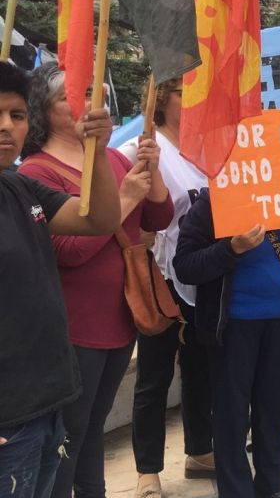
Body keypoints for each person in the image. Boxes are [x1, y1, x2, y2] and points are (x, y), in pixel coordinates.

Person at [18, 63, 174, 498]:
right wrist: (123, 200)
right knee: (68, 435)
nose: (90, 103)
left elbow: (158, 219)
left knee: (93, 426)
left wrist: (151, 171)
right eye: (73, 95)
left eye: (92, 91)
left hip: (121, 317)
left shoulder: (113, 158)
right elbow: (70, 252)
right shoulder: (36, 173)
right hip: (75, 326)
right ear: (45, 111)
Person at [0, 61, 121, 498]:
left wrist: (99, 150)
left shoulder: (20, 188)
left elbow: (100, 218)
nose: (7, 127)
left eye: (16, 115)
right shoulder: (34, 172)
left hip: (47, 405)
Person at [174, 192, 280, 498]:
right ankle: (236, 490)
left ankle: (271, 485)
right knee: (232, 414)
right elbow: (185, 265)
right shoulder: (212, 203)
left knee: (272, 408)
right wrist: (232, 248)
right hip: (232, 326)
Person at [117, 78, 214, 498]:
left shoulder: (204, 147)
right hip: (162, 278)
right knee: (154, 377)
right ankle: (148, 470)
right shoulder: (138, 149)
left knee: (199, 370)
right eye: (184, 94)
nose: (193, 101)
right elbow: (125, 212)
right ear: (161, 100)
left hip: (203, 274)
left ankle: (199, 450)